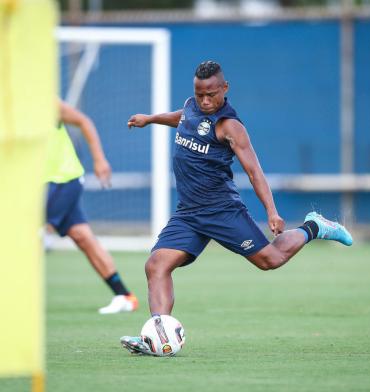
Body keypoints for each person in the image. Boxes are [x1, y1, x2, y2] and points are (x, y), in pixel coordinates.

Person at [120, 61, 352, 354]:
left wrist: (271, 211)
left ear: (225, 89)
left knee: (271, 259)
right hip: (189, 213)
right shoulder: (192, 106)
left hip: (222, 210)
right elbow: (183, 118)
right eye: (200, 93)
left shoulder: (230, 126)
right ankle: (158, 334)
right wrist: (151, 119)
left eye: (211, 94)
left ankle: (315, 226)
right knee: (156, 265)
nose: (205, 100)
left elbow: (255, 172)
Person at [45, 99, 138, 314]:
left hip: (64, 180)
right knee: (82, 236)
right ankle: (124, 296)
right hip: (39, 185)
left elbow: (84, 121)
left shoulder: (47, 104)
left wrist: (99, 160)